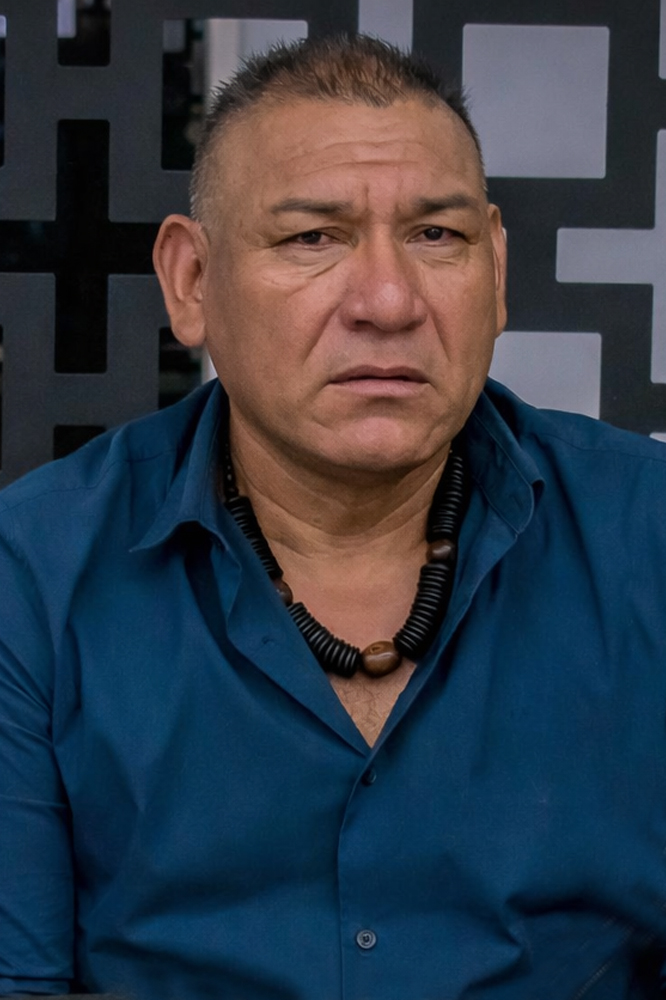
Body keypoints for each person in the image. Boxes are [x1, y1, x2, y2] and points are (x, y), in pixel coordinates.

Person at [1, 32, 666, 1000]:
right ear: (191, 282)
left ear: (496, 270)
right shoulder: (34, 572)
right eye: (313, 237)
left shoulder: (647, 535)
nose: (388, 301)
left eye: (437, 237)